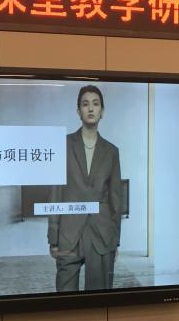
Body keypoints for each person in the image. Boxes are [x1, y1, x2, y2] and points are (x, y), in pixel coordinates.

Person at [47, 85, 124, 291]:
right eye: (85, 104)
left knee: (99, 299)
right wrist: (53, 237)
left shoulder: (111, 152)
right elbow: (55, 193)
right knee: (65, 298)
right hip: (69, 234)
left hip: (102, 235)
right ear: (78, 111)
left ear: (102, 111)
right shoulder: (62, 145)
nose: (90, 108)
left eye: (95, 104)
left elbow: (116, 199)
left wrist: (115, 240)